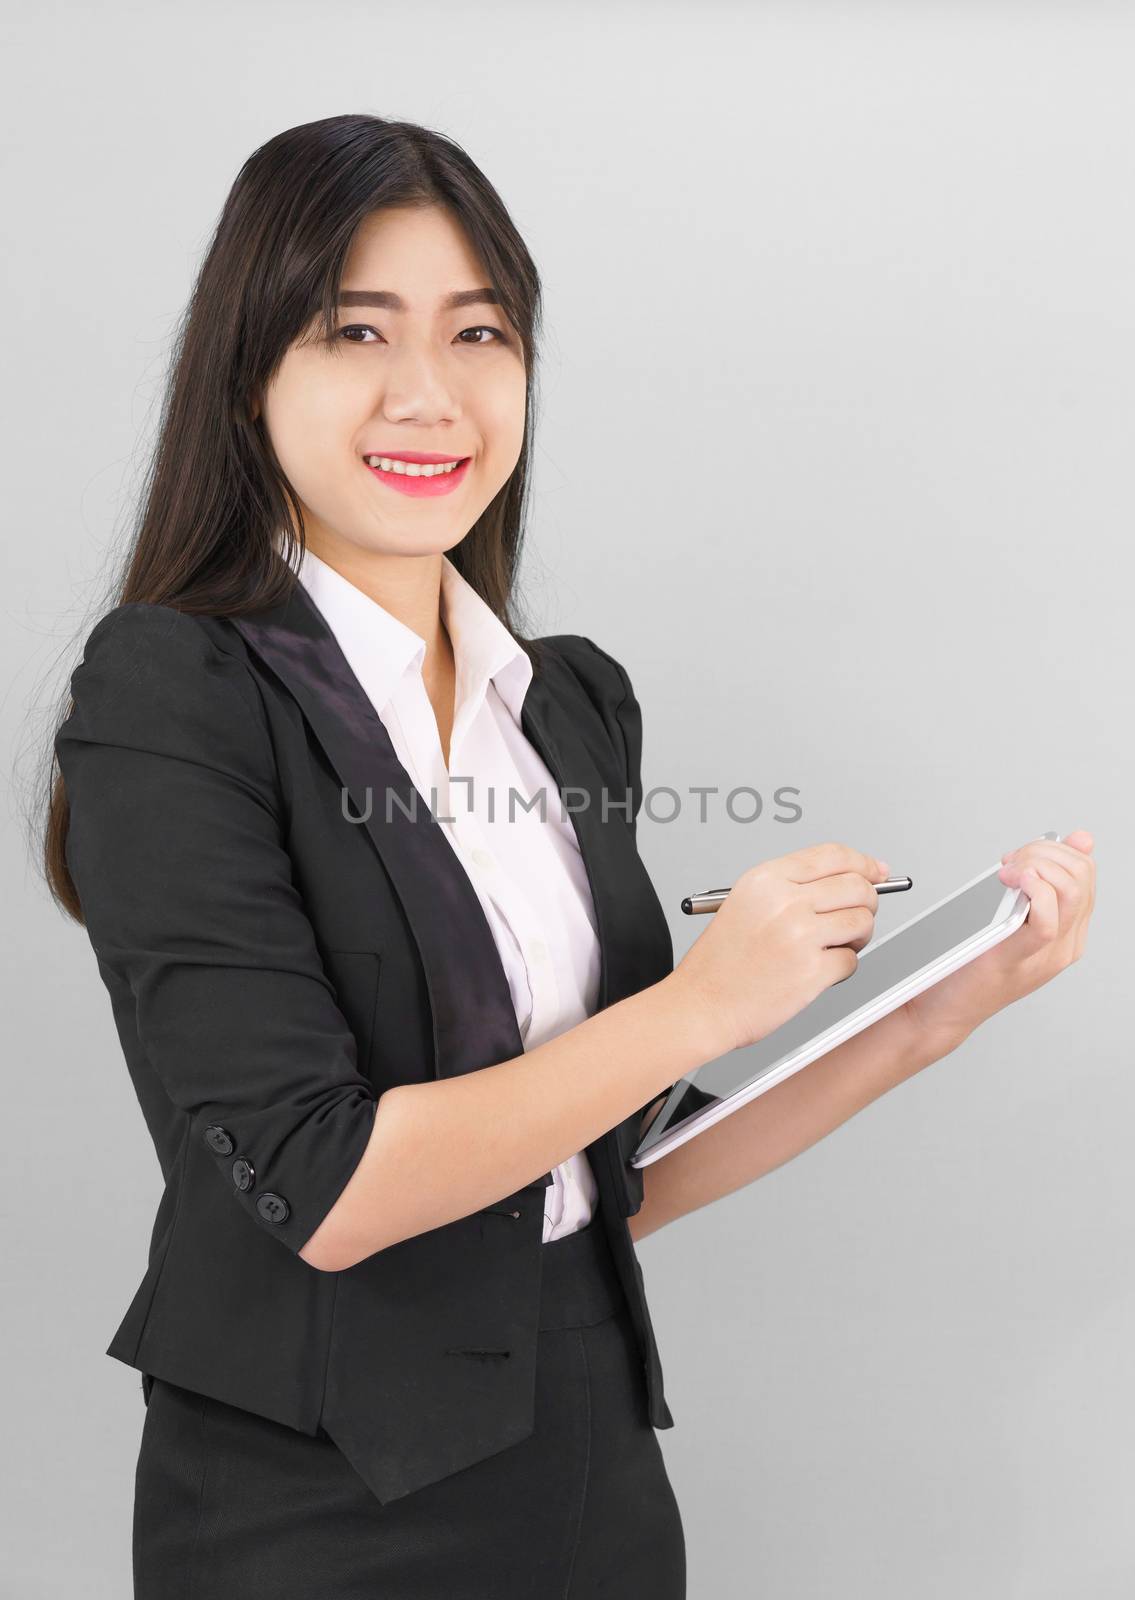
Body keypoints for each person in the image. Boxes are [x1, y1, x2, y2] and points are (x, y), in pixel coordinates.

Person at [43, 114, 1096, 1599]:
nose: (432, 392)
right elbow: (325, 1188)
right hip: (313, 1504)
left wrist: (935, 1012)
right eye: (358, 331)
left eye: (481, 332)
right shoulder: (174, 690)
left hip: (591, 1461)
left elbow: (607, 1177)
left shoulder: (568, 700)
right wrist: (705, 1002)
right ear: (250, 371)